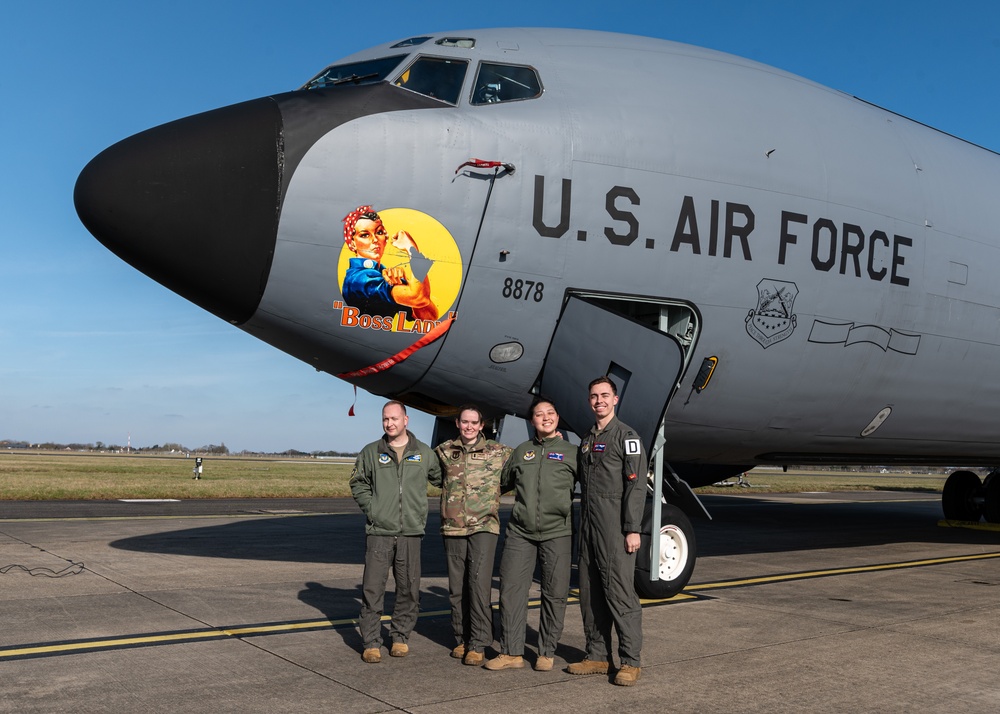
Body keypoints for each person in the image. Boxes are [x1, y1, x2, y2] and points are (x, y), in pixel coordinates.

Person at [484, 397, 578, 672]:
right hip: (520, 532)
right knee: (511, 591)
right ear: (532, 421)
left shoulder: (572, 452)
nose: (545, 417)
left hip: (557, 531)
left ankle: (546, 651)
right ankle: (511, 652)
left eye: (550, 413)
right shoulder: (522, 451)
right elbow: (502, 483)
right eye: (539, 414)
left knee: (555, 592)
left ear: (557, 418)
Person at [568, 376, 648, 686]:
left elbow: (636, 484)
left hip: (615, 527)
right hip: (588, 526)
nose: (599, 400)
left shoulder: (626, 436)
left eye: (604, 395)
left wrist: (632, 528)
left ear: (615, 399)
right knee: (589, 595)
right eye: (593, 396)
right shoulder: (587, 438)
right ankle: (598, 656)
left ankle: (630, 661)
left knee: (619, 593)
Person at [349, 400, 442, 663]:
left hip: (411, 532)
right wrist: (374, 510)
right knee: (372, 589)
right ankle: (371, 642)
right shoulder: (371, 452)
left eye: (394, 419)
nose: (389, 423)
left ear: (406, 420)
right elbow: (358, 483)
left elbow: (444, 478)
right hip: (380, 531)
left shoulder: (423, 453)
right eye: (385, 419)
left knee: (409, 589)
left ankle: (400, 636)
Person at [434, 405, 512, 665]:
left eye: (473, 423)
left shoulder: (498, 452)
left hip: (483, 527)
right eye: (464, 422)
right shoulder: (444, 451)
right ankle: (462, 638)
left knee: (478, 585)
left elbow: (514, 474)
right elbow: (435, 478)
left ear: (482, 425)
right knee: (457, 588)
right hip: (453, 526)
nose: (468, 427)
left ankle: (479, 642)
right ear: (458, 423)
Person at [341, 205, 438, 320]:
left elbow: (430, 317)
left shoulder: (385, 274)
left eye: (379, 232)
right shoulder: (358, 279)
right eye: (365, 235)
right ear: (352, 243)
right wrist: (411, 249)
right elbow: (418, 297)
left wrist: (408, 282)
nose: (375, 240)